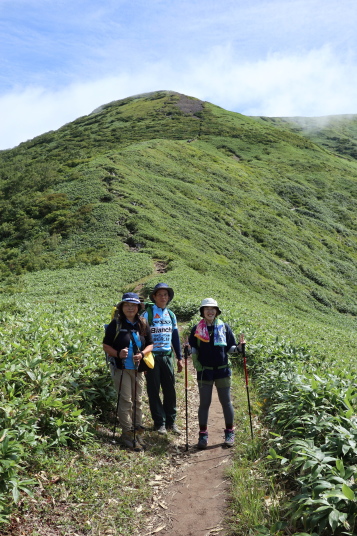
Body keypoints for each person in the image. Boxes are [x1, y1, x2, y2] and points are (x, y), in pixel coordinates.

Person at [188, 298, 244, 449]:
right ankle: (203, 435)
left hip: (222, 370)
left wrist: (239, 348)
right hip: (204, 371)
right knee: (204, 403)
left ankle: (229, 432)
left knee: (226, 402)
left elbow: (230, 348)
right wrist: (188, 350)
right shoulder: (196, 329)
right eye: (207, 309)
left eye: (213, 309)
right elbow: (194, 348)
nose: (210, 311)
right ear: (202, 312)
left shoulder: (224, 327)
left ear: (217, 311)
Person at [103, 292, 153, 448]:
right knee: (126, 401)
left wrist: (142, 353)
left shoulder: (143, 323)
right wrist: (118, 354)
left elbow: (150, 344)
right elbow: (106, 345)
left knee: (138, 401)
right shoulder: (116, 324)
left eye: (133, 305)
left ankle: (137, 434)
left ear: (138, 307)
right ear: (122, 307)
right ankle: (127, 435)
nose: (130, 308)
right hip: (121, 368)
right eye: (127, 305)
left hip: (138, 369)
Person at [142, 283, 183, 435]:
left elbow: (175, 337)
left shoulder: (171, 315)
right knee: (153, 390)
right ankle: (160, 423)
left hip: (167, 356)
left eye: (165, 295)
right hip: (152, 357)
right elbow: (142, 336)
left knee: (170, 390)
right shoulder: (147, 314)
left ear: (168, 297)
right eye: (160, 294)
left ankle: (171, 422)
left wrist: (179, 357)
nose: (163, 297)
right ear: (154, 297)